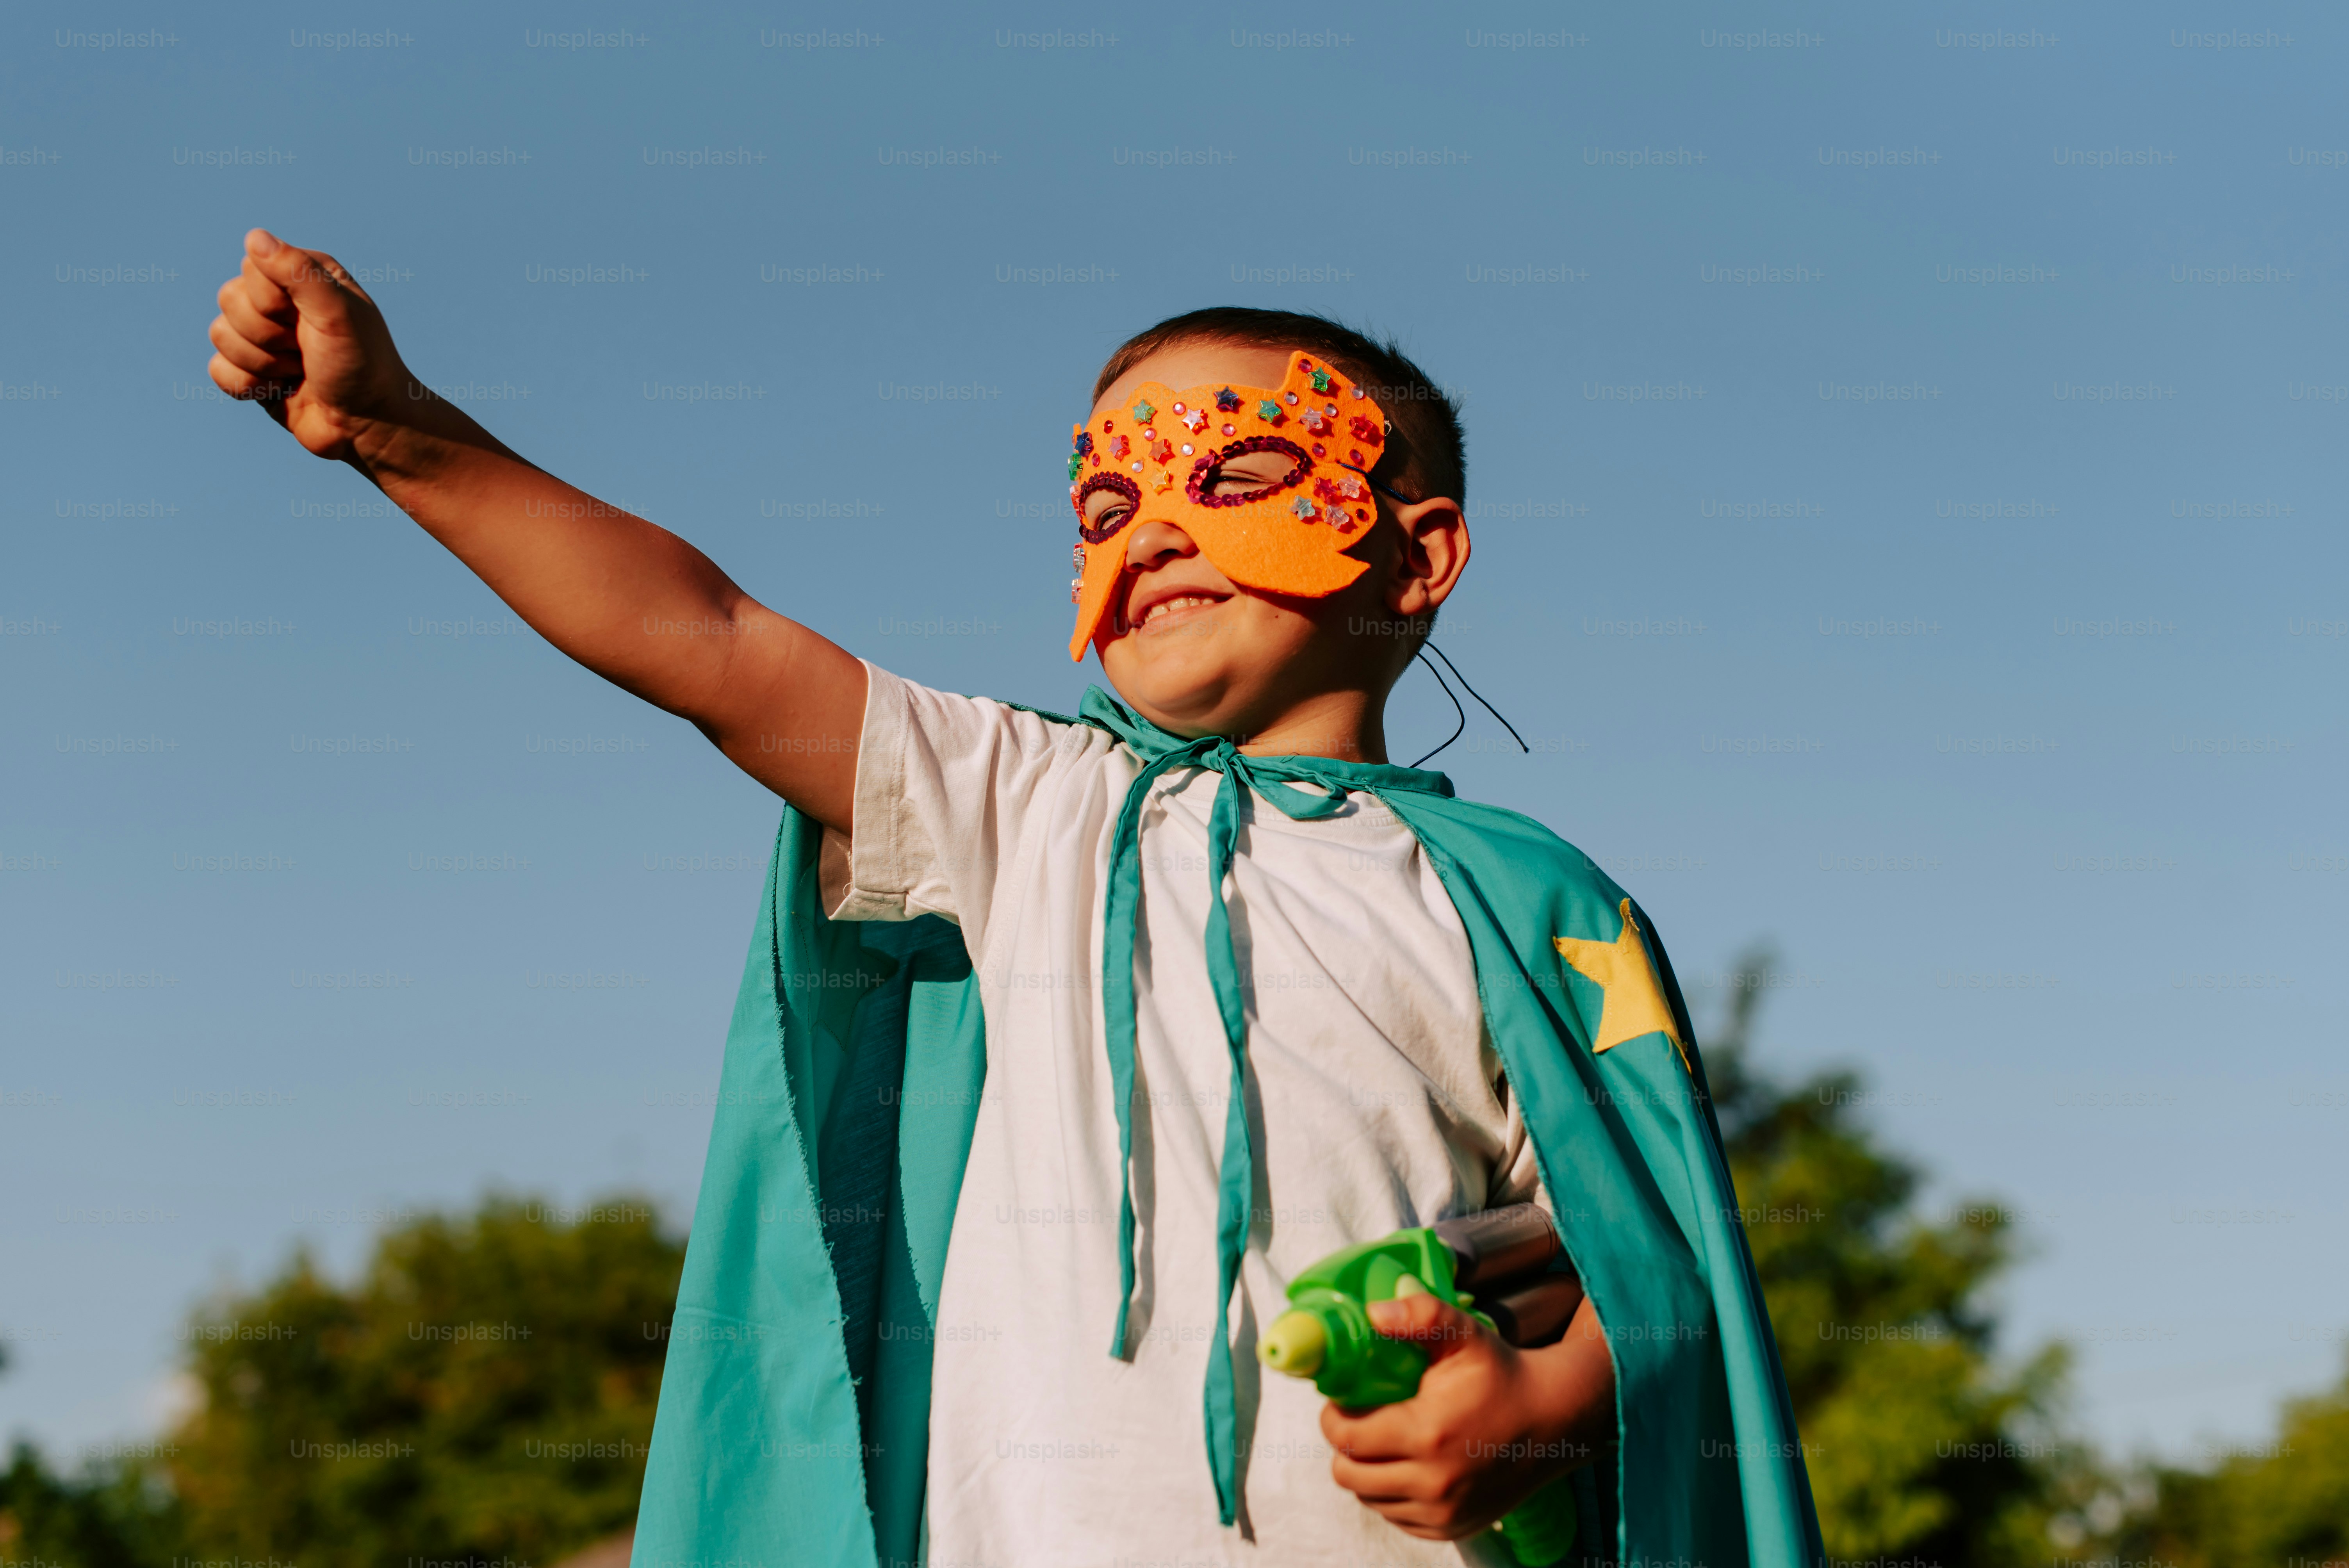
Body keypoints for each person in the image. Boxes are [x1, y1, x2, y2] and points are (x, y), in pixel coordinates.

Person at [207, 230, 1821, 1568]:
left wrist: (1536, 1408)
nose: (1156, 530)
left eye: (1242, 468)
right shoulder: (1030, 801)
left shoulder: (1529, 906)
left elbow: (1643, 1256)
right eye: (1107, 503)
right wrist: (401, 429)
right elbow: (703, 637)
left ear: (1416, 556)